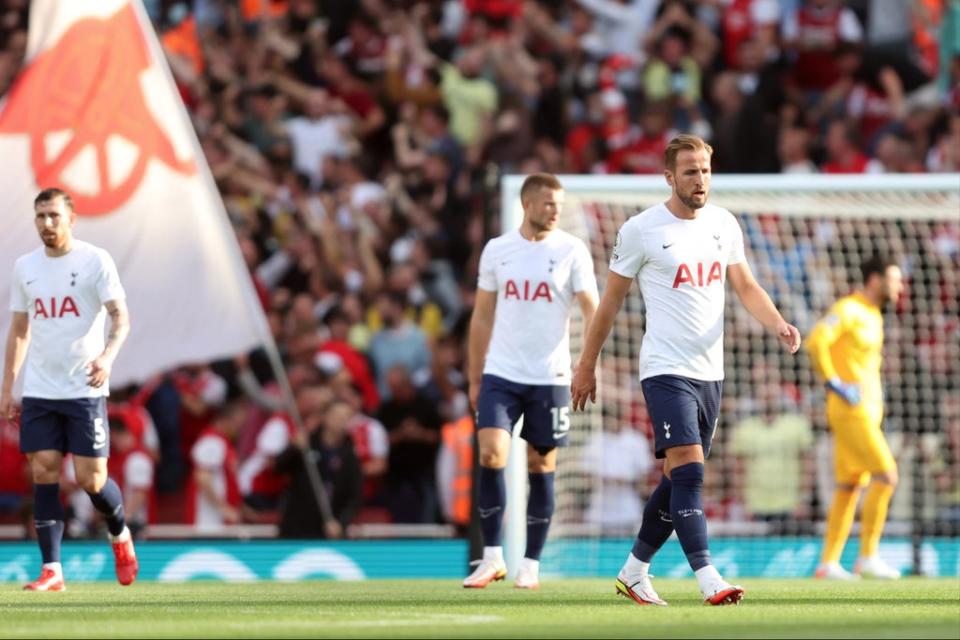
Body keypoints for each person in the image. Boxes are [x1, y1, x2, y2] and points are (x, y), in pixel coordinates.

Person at [571, 135, 801, 606]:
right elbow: (610, 303)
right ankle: (708, 578)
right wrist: (586, 364)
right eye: (691, 171)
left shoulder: (723, 224)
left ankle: (633, 571)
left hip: (710, 373)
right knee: (691, 473)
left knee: (678, 478)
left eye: (705, 170)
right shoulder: (641, 230)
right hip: (664, 368)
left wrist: (778, 323)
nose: (700, 180)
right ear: (669, 177)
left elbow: (745, 284)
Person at [465, 172, 599, 590]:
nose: (555, 211)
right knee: (491, 454)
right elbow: (482, 316)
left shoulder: (572, 250)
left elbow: (593, 310)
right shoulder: (498, 251)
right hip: (501, 373)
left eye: (559, 204)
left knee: (541, 465)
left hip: (551, 376)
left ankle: (531, 564)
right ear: (526, 205)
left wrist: (587, 363)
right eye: (548, 203)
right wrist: (474, 377)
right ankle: (491, 557)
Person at [1, 188, 136, 591]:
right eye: (40, 216)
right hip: (41, 389)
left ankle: (120, 534)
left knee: (91, 480)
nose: (46, 223)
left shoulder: (95, 261)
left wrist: (108, 358)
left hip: (84, 387)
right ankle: (52, 570)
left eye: (54, 216)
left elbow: (121, 319)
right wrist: (8, 387)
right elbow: (20, 330)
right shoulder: (26, 267)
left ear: (71, 219)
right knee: (43, 470)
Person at [806, 254, 904, 580]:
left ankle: (828, 563)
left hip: (866, 412)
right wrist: (833, 382)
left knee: (850, 485)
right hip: (852, 411)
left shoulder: (874, 314)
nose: (900, 286)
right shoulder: (848, 309)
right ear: (875, 280)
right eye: (895, 279)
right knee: (887, 477)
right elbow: (817, 340)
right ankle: (868, 557)